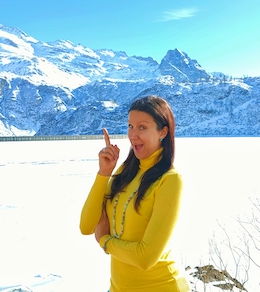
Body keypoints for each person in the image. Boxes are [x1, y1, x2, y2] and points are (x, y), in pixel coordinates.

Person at [80, 95, 189, 292]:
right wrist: (104, 174)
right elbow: (86, 226)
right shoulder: (124, 172)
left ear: (163, 132)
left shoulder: (170, 180)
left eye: (142, 127)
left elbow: (145, 257)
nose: (133, 135)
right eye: (130, 126)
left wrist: (105, 241)